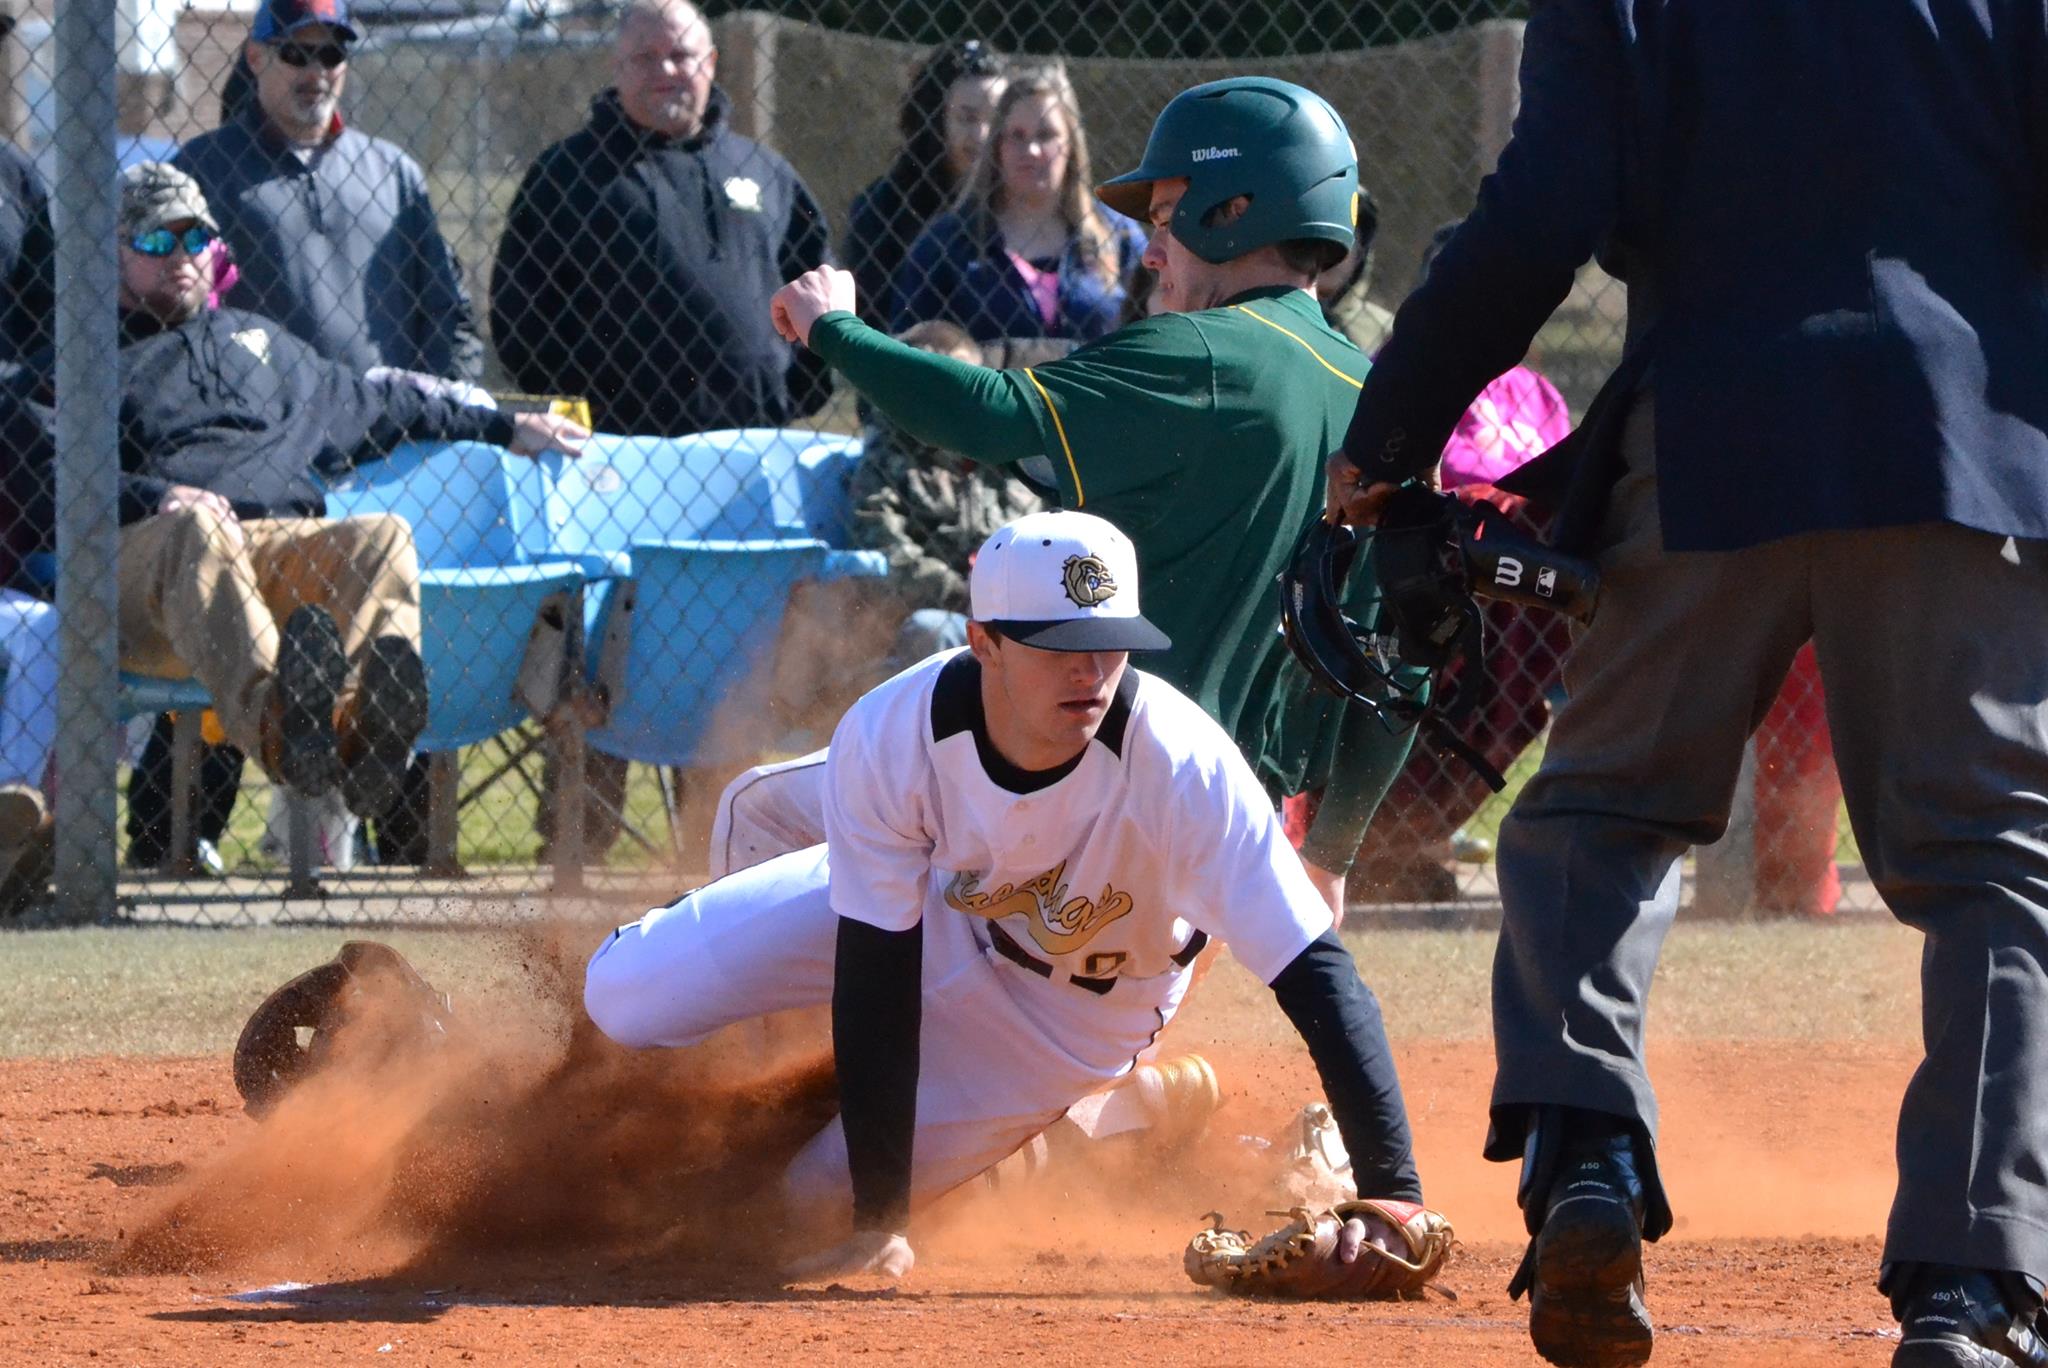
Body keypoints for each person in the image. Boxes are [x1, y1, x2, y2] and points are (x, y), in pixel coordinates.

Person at [1325, 5, 2048, 1366]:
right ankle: (1971, 1292)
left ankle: (1585, 1160)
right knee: (1991, 867)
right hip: (1960, 438)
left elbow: (1542, 209)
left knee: (1600, 811)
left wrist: (1395, 427)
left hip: (1712, 425)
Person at [585, 510, 1447, 1281]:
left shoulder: (1183, 767)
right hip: (943, 913)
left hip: (1070, 1020)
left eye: (1111, 640)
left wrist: (1397, 1194)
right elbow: (878, 970)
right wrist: (882, 1215)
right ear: (984, 640)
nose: (1093, 669)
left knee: (795, 1213)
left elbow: (1316, 973)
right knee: (621, 993)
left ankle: (1119, 1113)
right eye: (1060, 644)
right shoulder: (895, 733)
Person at [769, 77, 1408, 918]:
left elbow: (989, 414)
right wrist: (1330, 856)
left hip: (1084, 803)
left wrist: (835, 331)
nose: (1149, 250)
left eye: (1170, 212)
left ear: (1234, 210)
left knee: (762, 813)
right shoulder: (1382, 400)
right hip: (1231, 852)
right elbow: (1402, 671)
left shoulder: (1205, 356)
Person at [0, 164, 585, 899]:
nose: (180, 253)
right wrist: (157, 494)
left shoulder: (266, 346)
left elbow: (387, 404)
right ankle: (287, 733)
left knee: (380, 536)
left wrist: (506, 425)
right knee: (197, 534)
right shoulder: (78, 362)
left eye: (195, 235)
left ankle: (365, 730)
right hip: (138, 572)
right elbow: (42, 471)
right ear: (111, 253)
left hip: (264, 556)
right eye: (155, 237)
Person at [489, 0, 833, 437]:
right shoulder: (566, 176)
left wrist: (786, 394)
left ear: (710, 63)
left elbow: (819, 287)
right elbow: (520, 318)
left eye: (681, 55)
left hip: (757, 440)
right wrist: (589, 408)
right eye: (645, 57)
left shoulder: (767, 172)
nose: (665, 70)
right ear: (616, 66)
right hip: (618, 453)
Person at [174, 0, 483, 384]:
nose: (316, 72)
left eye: (331, 54)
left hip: (387, 426)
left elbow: (444, 309)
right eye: (296, 53)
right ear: (255, 57)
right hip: (266, 429)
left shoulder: (393, 171)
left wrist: (438, 403)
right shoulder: (204, 169)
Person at [890, 66, 1144, 344]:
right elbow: (907, 348)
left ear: (1071, 144)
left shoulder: (1118, 234)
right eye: (1017, 136)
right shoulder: (948, 245)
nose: (1031, 151)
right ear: (997, 145)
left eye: (1046, 135)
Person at [844, 41, 1008, 328]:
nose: (983, 135)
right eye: (967, 118)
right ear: (935, 119)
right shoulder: (884, 208)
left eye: (996, 118)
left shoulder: (1024, 201)